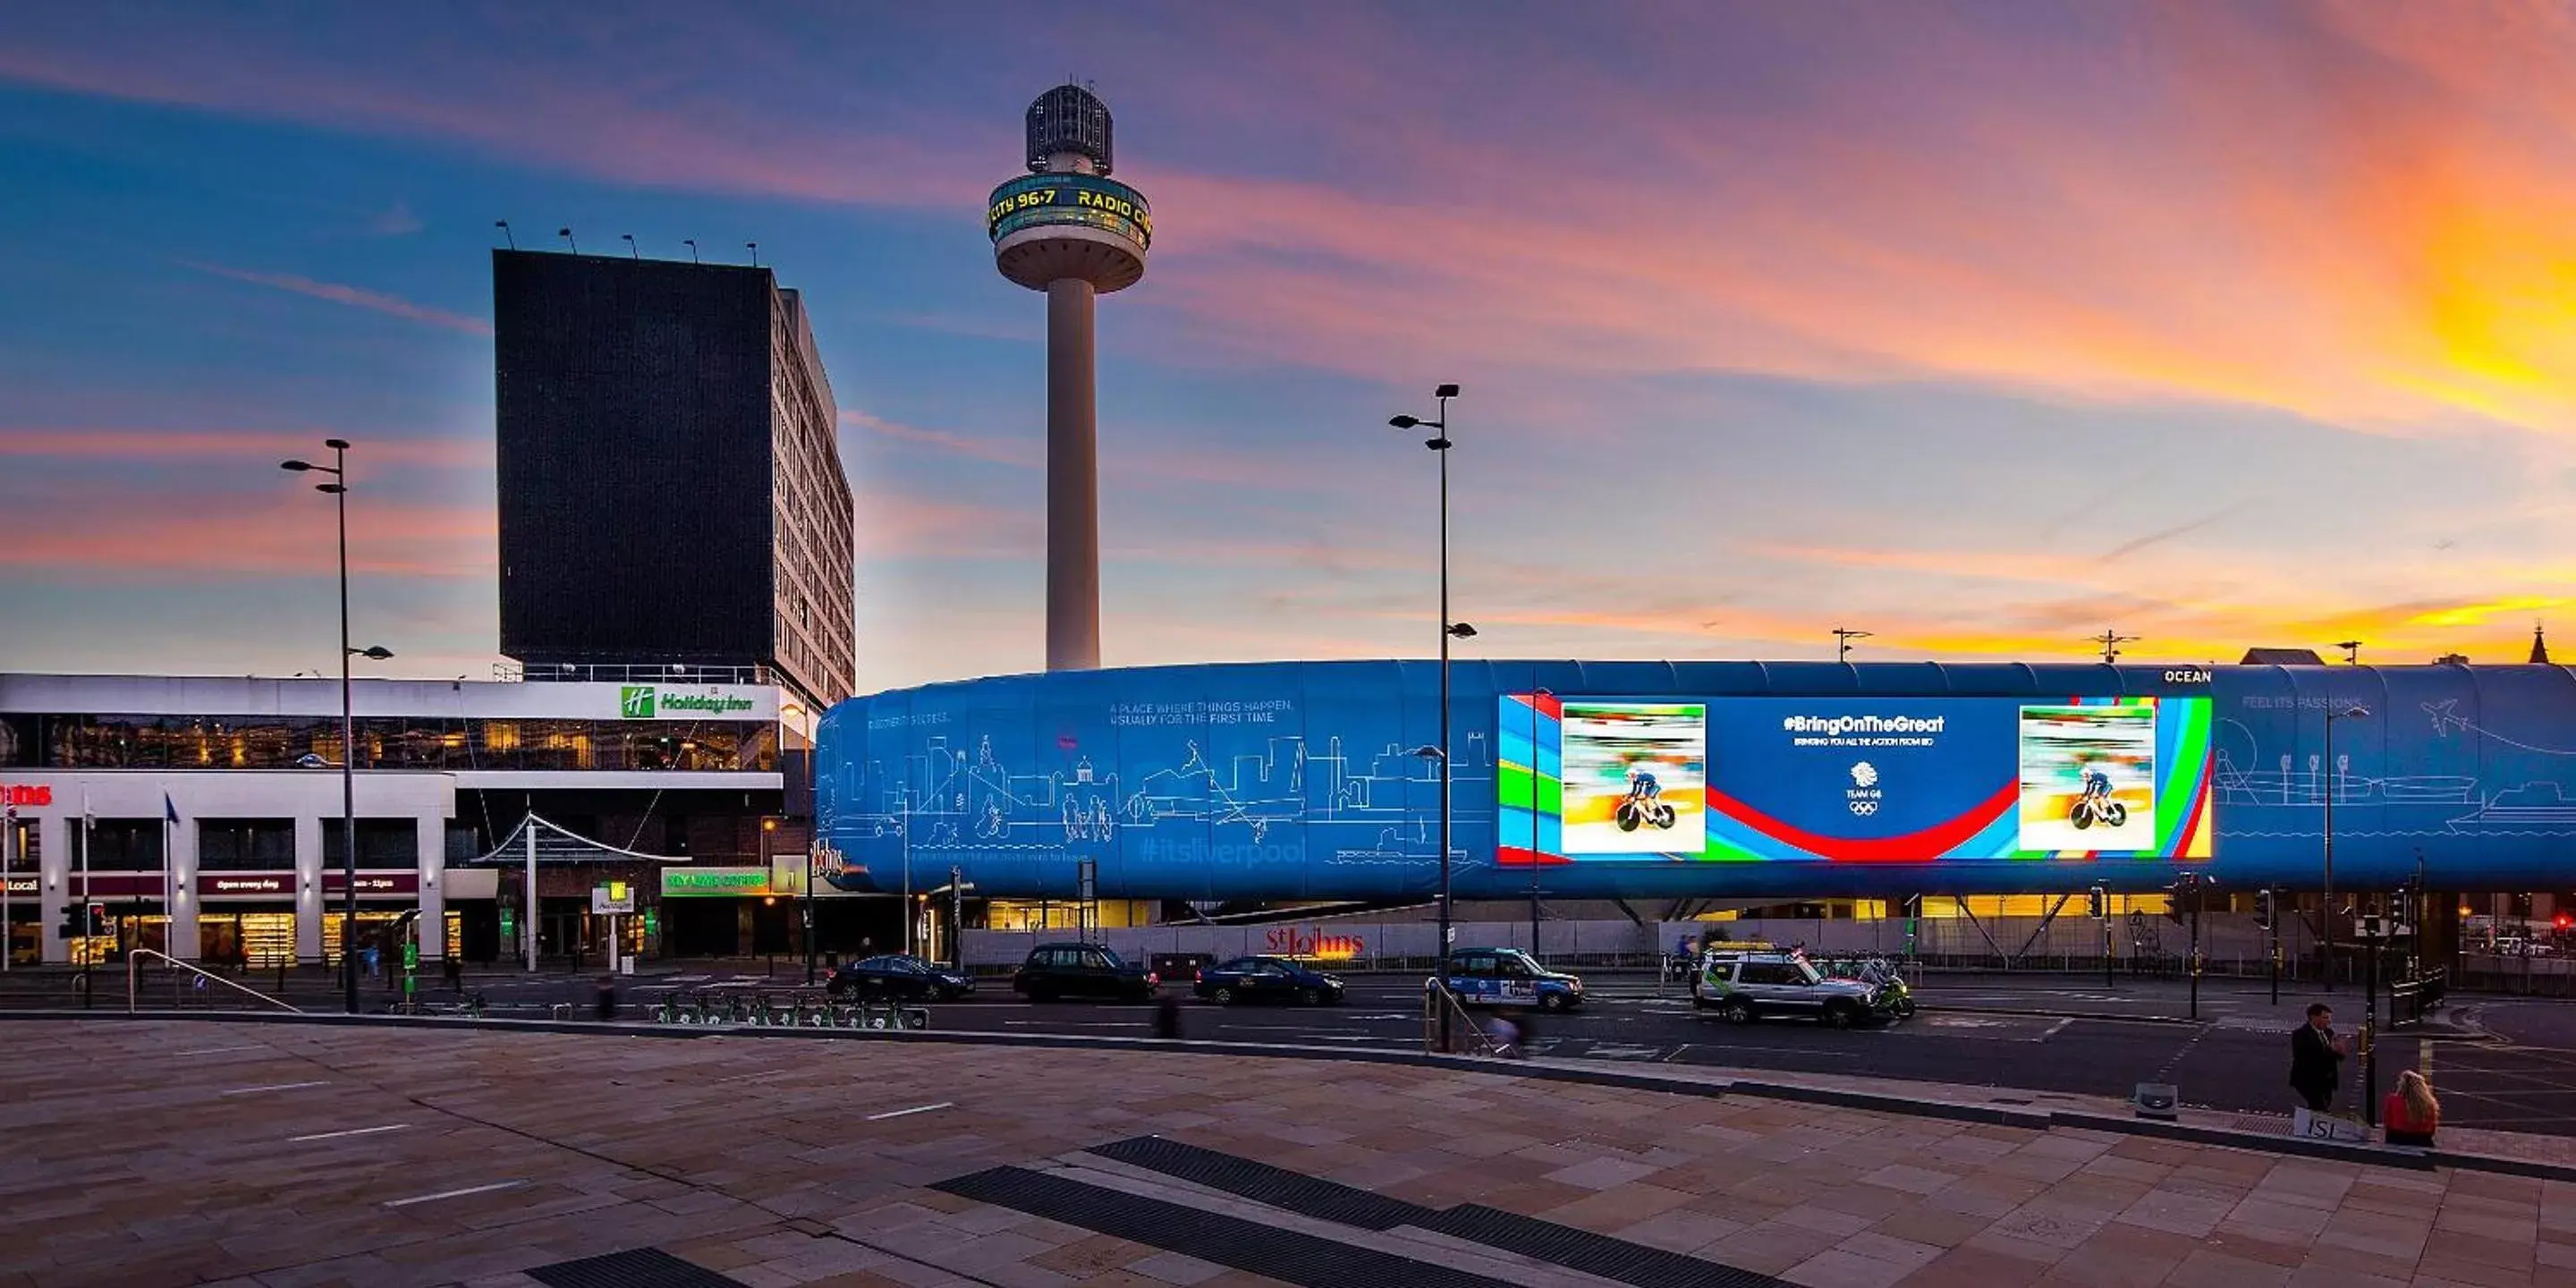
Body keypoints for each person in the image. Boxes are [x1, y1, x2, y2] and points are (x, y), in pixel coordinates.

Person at [2290, 1003, 2352, 1112]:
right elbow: (2304, 1057)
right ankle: (2310, 1126)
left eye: (2329, 1018)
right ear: (2314, 1017)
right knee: (2318, 1106)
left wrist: (2340, 1051)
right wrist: (2330, 1050)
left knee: (2323, 1106)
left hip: (2327, 1079)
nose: (2328, 1021)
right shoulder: (2300, 1034)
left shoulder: (2329, 1032)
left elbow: (2336, 1057)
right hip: (2308, 1079)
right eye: (2325, 1018)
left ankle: (2311, 1124)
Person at [2384, 1070, 2440, 1147]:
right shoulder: (2429, 1103)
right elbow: (2432, 1129)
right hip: (2423, 1141)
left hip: (2397, 1140)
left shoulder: (2392, 1100)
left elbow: (2388, 1124)